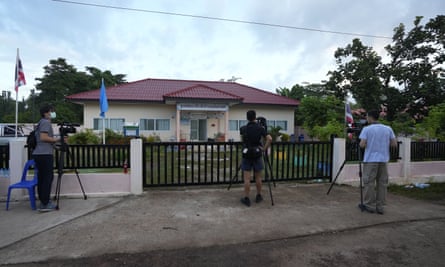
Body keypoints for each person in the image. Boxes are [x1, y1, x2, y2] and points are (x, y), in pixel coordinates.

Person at [359, 109, 397, 215]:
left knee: (369, 183)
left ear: (370, 117)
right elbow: (394, 144)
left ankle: (369, 205)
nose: (366, 119)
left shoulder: (367, 129)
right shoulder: (388, 128)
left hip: (371, 160)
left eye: (367, 117)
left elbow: (362, 144)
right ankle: (380, 207)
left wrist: (369, 145)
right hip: (383, 160)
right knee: (382, 184)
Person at [32, 104, 63, 212]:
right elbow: (44, 138)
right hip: (44, 154)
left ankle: (43, 201)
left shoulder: (40, 122)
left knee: (42, 178)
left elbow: (43, 140)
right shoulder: (45, 122)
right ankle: (45, 204)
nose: (52, 113)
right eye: (51, 111)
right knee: (47, 178)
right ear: (46, 113)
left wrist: (56, 146)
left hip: (40, 153)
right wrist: (58, 139)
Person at [239, 110, 272, 207]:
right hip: (257, 154)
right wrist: (264, 148)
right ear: (255, 117)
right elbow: (269, 138)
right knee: (258, 177)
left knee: (247, 179)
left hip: (247, 154)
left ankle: (246, 198)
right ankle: (258, 195)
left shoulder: (243, 128)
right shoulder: (260, 128)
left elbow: (243, 139)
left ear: (247, 117)